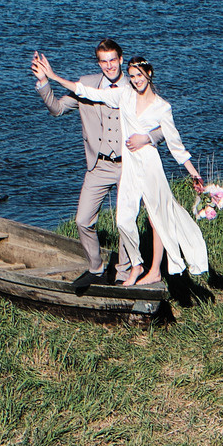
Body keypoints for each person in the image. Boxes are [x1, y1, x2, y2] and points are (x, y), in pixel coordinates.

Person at [33, 52, 211, 290]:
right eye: (132, 75)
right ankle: (123, 266)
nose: (136, 79)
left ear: (148, 74)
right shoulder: (121, 93)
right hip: (116, 166)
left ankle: (145, 269)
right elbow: (81, 95)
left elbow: (173, 143)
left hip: (145, 165)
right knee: (119, 220)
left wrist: (192, 172)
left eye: (139, 75)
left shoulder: (157, 104)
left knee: (157, 216)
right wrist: (51, 77)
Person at [33, 37, 137, 294]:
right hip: (98, 165)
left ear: (121, 60)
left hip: (129, 165)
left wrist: (145, 140)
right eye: (104, 61)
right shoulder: (86, 84)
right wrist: (45, 82)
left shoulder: (135, 86)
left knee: (125, 221)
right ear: (98, 63)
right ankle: (96, 268)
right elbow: (57, 109)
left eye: (113, 60)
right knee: (82, 220)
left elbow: (156, 123)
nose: (109, 66)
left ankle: (124, 273)